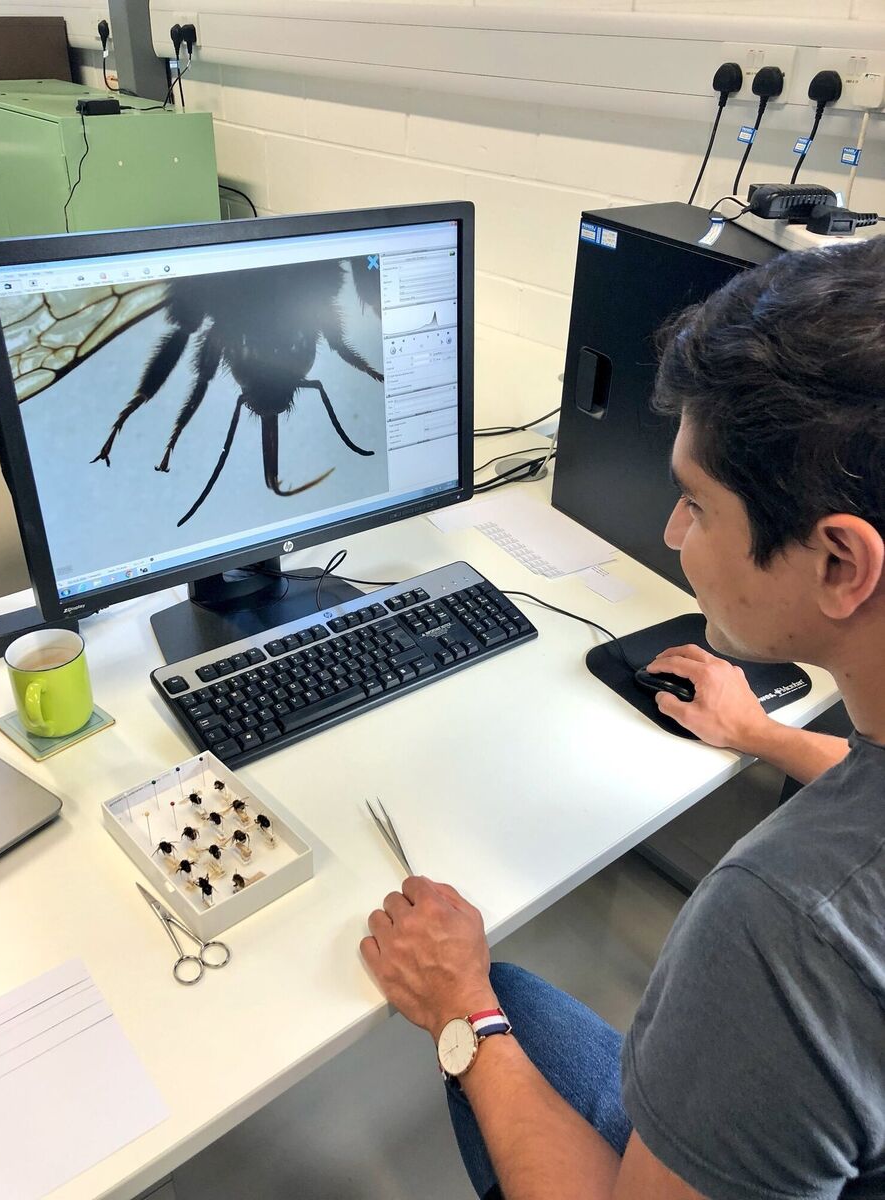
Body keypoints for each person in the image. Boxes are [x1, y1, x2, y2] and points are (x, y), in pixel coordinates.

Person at [360, 235, 885, 1199]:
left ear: (841, 564)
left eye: (695, 504)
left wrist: (460, 1011)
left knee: (499, 998)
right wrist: (764, 734)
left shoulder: (783, 927)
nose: (672, 533)